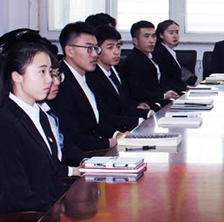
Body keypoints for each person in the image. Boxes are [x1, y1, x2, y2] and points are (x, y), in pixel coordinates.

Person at [0, 42, 67, 213]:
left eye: (50, 72)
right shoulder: (3, 123)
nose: (50, 79)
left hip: (46, 207)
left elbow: (50, 177)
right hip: (24, 214)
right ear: (17, 77)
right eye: (42, 72)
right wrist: (56, 212)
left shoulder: (40, 115)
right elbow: (18, 193)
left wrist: (70, 203)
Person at [49, 22, 123, 152]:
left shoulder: (90, 77)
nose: (95, 54)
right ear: (69, 50)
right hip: (82, 154)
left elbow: (98, 121)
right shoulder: (59, 83)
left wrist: (117, 134)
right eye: (89, 49)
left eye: (96, 48)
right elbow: (70, 137)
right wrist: (109, 142)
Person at [88, 25, 152, 127]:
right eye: (110, 47)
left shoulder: (114, 70)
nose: (117, 52)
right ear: (97, 50)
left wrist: (143, 111)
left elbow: (121, 103)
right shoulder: (92, 77)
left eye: (118, 46)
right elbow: (106, 115)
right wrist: (140, 120)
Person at [39, 45, 85, 177]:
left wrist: (86, 161)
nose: (55, 82)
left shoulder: (49, 110)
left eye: (57, 75)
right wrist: (72, 171)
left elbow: (65, 145)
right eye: (49, 75)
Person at [122, 21, 179, 107]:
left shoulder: (152, 57)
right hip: (148, 105)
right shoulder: (133, 61)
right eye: (146, 36)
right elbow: (137, 92)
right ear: (135, 41)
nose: (151, 41)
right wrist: (163, 95)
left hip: (160, 100)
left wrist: (167, 92)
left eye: (153, 36)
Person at [152, 19, 190, 92]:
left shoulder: (170, 51)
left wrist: (185, 86)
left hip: (176, 90)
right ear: (161, 35)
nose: (175, 36)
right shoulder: (159, 53)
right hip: (168, 92)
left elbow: (174, 78)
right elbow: (165, 79)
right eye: (171, 33)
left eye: (177, 32)